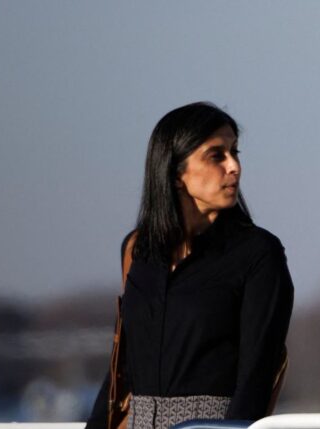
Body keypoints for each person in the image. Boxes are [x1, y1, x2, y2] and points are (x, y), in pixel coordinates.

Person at [86, 102, 294, 428]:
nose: (234, 166)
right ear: (175, 171)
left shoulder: (258, 254)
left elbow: (256, 377)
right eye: (217, 155)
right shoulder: (137, 251)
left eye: (235, 152)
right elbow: (121, 369)